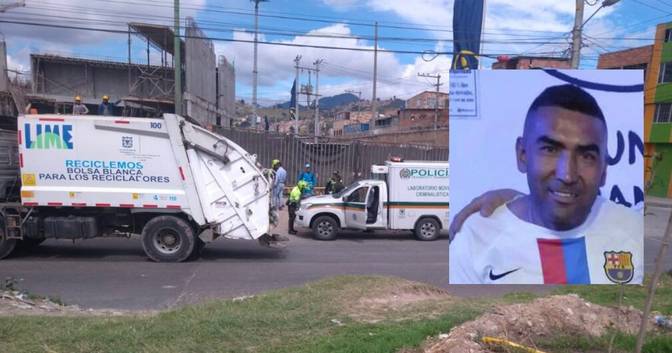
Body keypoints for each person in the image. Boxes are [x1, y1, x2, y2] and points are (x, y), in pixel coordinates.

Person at [449, 84, 643, 285]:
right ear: (522, 155)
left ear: (603, 170)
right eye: (550, 150)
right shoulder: (475, 238)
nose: (567, 175)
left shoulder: (633, 230)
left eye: (587, 156)